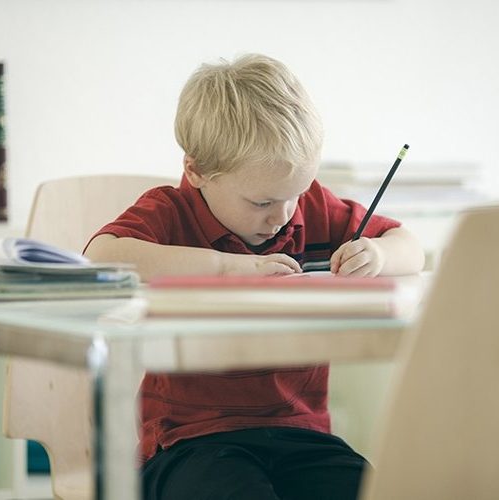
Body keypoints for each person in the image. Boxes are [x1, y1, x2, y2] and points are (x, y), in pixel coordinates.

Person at [84, 54, 425, 500]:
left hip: (303, 437)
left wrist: (378, 253)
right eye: (262, 203)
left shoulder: (313, 209)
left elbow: (410, 247)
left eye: (295, 194)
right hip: (190, 444)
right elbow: (101, 256)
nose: (283, 216)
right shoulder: (171, 211)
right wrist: (227, 269)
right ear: (197, 171)